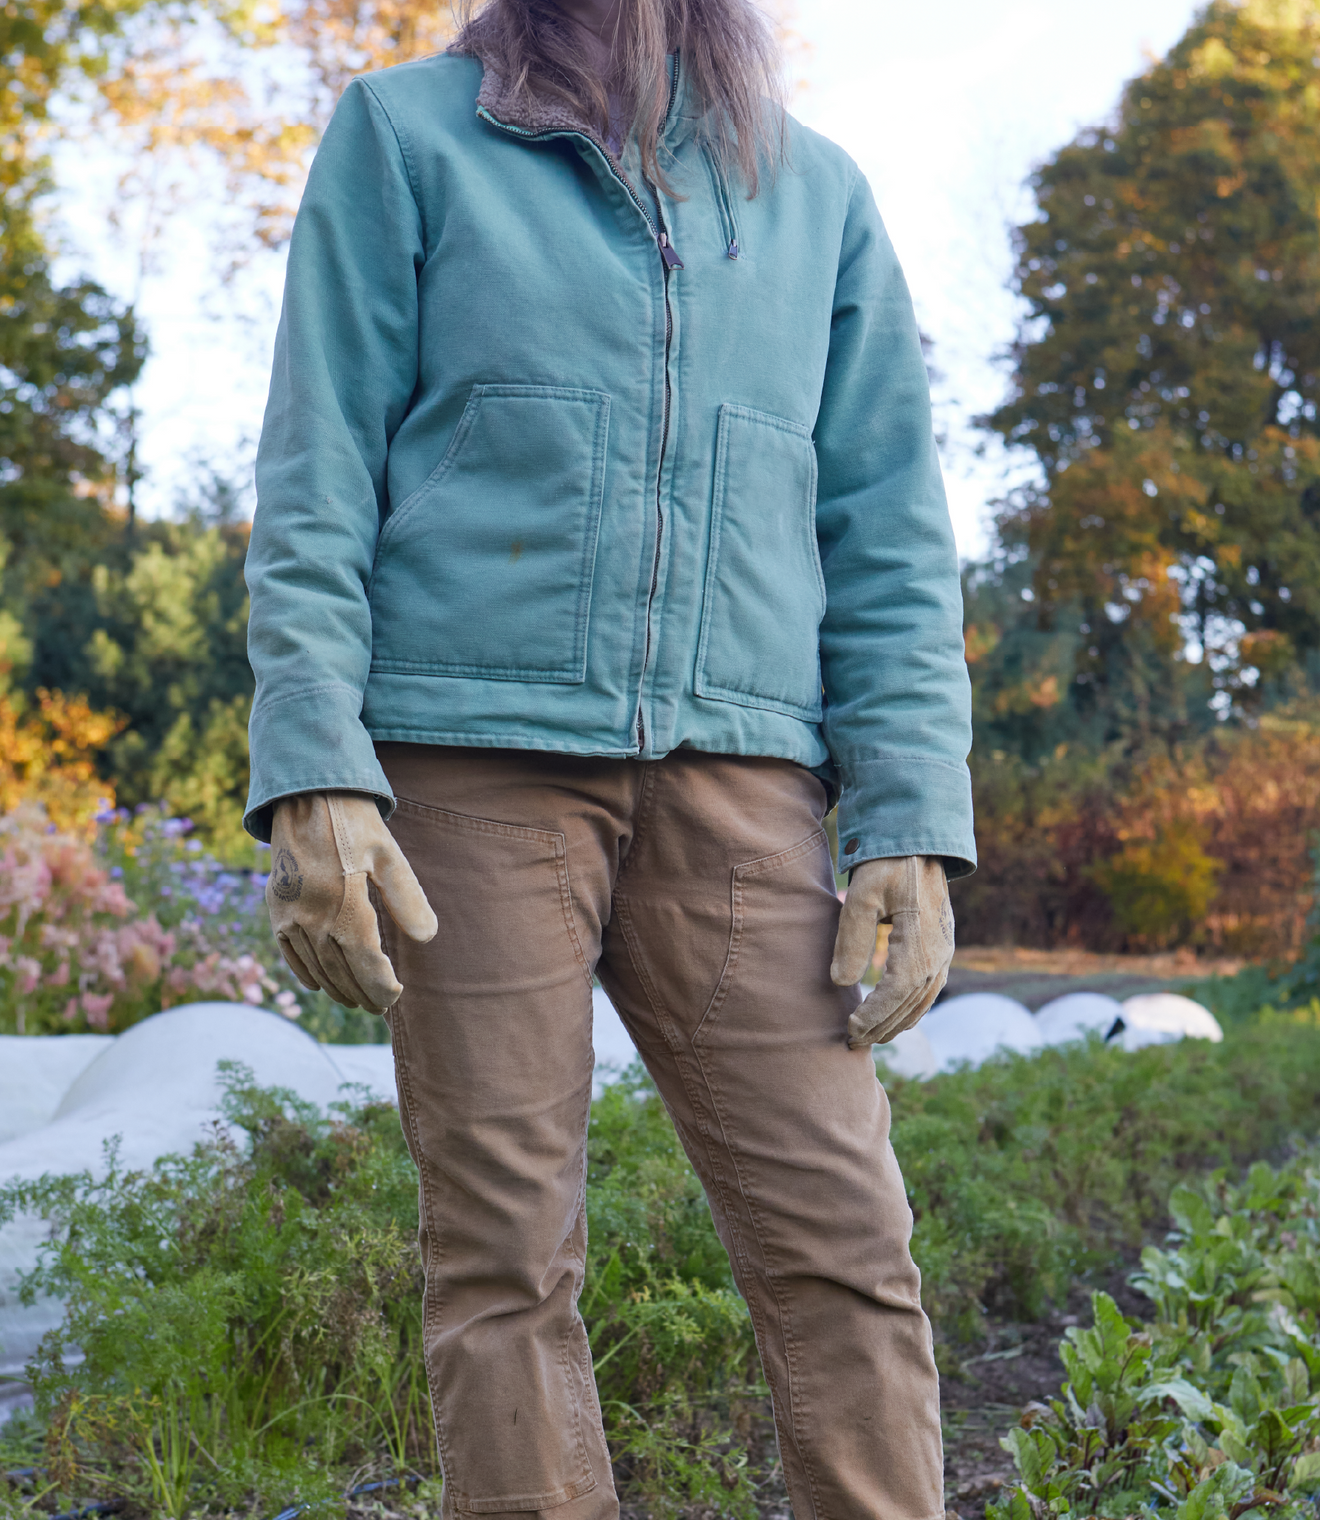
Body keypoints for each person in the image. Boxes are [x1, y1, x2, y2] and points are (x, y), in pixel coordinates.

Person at [244, 0, 975, 1513]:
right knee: (503, 1264)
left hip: (749, 780)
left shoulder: (815, 193)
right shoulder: (406, 134)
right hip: (471, 771)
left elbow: (892, 531)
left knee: (846, 1246)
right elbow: (317, 468)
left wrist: (904, 814)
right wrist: (315, 763)